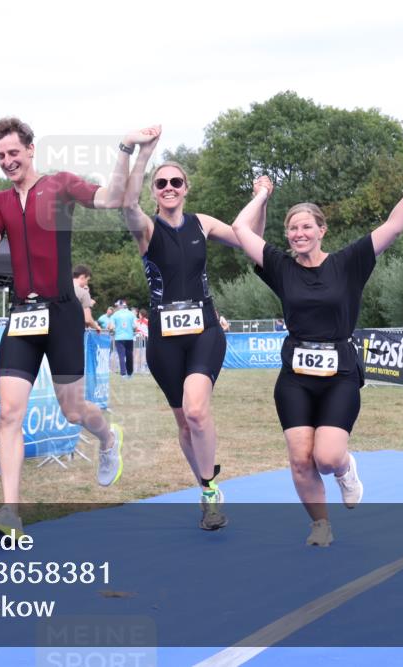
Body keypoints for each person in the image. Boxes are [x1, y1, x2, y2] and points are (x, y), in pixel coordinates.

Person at [230, 145, 403, 546]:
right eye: (293, 228)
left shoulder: (347, 263)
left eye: (307, 227)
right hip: (294, 375)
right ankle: (320, 525)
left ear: (322, 230)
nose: (299, 234)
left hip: (340, 372)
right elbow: (241, 230)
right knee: (298, 459)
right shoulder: (280, 266)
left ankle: (345, 469)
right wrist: (261, 196)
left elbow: (394, 226)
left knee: (325, 458)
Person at [0, 117, 156, 539]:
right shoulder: (0, 200)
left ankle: (109, 438)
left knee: (73, 411)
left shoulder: (60, 185)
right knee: (10, 414)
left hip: (61, 314)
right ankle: (10, 514)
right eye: (0, 156)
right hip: (22, 315)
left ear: (31, 149)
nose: (7, 161)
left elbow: (112, 198)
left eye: (13, 153)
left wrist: (126, 147)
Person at [121, 126, 271, 530]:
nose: (169, 187)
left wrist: (263, 199)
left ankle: (209, 491)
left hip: (204, 330)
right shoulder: (146, 229)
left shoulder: (202, 224)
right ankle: (208, 489)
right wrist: (143, 151)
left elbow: (252, 240)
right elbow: (126, 201)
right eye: (162, 183)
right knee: (185, 425)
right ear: (155, 191)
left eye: (176, 182)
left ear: (186, 188)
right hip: (164, 341)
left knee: (197, 411)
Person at [109, 300, 136, 378]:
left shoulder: (115, 315)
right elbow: (135, 326)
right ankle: (130, 373)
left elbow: (111, 327)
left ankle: (123, 373)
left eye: (117, 306)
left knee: (121, 355)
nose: (116, 307)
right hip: (129, 337)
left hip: (119, 338)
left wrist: (112, 331)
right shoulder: (131, 314)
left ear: (120, 306)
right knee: (129, 355)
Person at [73, 265, 102, 332]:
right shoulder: (83, 293)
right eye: (87, 280)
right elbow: (87, 319)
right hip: (73, 333)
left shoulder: (60, 290)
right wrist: (96, 327)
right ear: (82, 277)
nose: (87, 283)